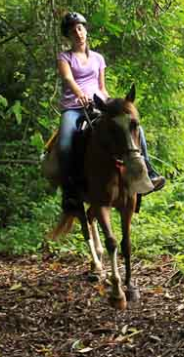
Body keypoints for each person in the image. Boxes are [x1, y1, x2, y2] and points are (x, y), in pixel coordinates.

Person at [56, 11, 164, 212]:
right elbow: (69, 79)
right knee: (63, 145)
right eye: (73, 31)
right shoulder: (65, 57)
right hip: (73, 108)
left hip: (99, 104)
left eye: (80, 28)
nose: (78, 33)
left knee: (133, 127)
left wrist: (110, 103)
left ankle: (148, 171)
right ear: (68, 36)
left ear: (85, 30)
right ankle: (70, 192)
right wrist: (80, 94)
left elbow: (101, 86)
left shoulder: (98, 58)